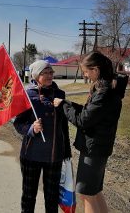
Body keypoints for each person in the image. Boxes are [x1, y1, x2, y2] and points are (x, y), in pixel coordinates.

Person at [53, 51, 124, 213]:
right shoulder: (105, 88)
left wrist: (63, 107)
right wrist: (67, 103)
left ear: (96, 70)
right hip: (98, 147)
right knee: (95, 192)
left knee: (86, 194)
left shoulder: (104, 92)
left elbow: (83, 120)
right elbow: (89, 112)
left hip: (94, 149)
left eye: (86, 71)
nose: (85, 74)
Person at [14, 60, 72, 213]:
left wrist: (66, 150)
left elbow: (63, 125)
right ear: (35, 75)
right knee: (28, 195)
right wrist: (31, 128)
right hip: (30, 155)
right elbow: (18, 123)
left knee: (52, 197)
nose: (49, 75)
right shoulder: (26, 95)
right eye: (44, 73)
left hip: (54, 156)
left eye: (50, 72)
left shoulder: (60, 94)